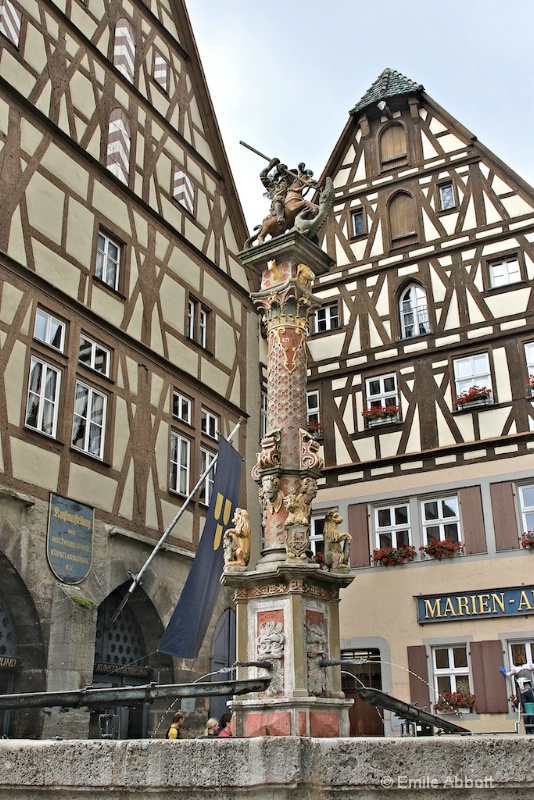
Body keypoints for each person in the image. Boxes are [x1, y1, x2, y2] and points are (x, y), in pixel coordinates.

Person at [500, 655, 534, 733]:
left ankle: (528, 731)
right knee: (531, 709)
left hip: (522, 692)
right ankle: (533, 729)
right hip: (529, 689)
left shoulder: (515, 669)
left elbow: (508, 674)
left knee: (525, 711)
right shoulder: (528, 665)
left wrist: (504, 671)